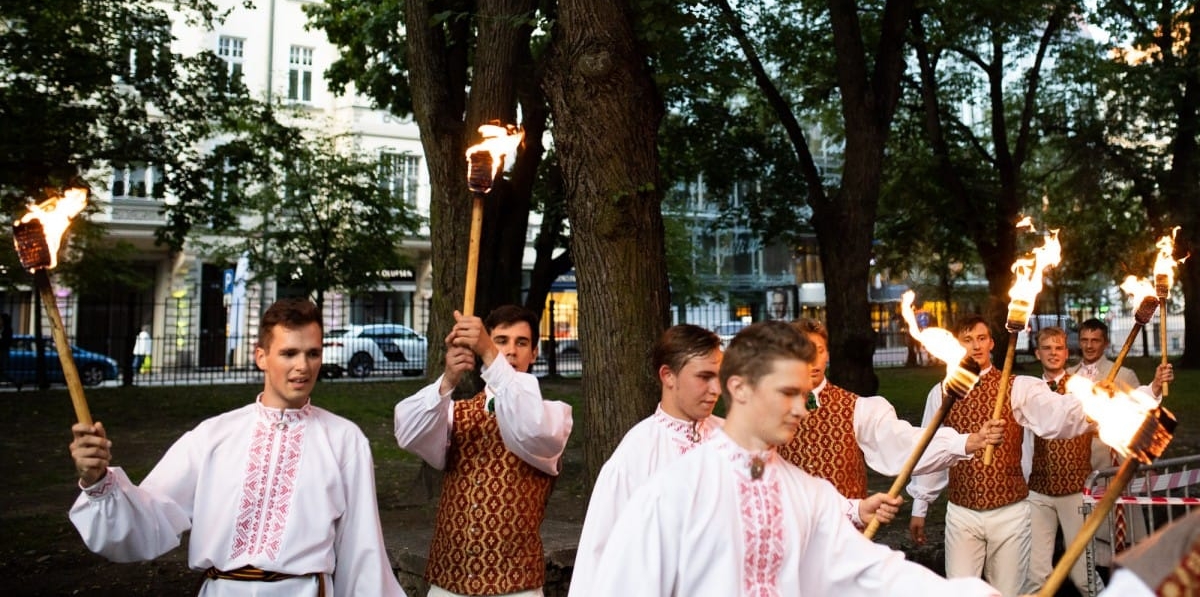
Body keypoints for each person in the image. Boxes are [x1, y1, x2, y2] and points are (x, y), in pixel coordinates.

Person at [589, 319, 1002, 597]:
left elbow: (874, 572)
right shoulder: (670, 493)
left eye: (804, 394)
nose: (803, 408)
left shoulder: (806, 493)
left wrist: (972, 593)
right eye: (788, 393)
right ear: (741, 388)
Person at [68, 297, 405, 596]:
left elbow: (362, 549)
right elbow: (151, 517)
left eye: (312, 353)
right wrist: (98, 482)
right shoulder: (213, 436)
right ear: (261, 356)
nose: (303, 366)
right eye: (289, 353)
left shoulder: (344, 440)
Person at [907, 314, 1094, 597]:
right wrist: (920, 506)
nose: (976, 346)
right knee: (959, 592)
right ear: (958, 345)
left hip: (1010, 512)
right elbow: (929, 450)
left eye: (981, 338)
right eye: (968, 340)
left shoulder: (1018, 386)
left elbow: (1056, 416)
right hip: (962, 511)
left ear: (992, 343)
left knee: (1007, 592)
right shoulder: (943, 392)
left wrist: (1097, 402)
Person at [394, 305, 573, 597]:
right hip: (448, 583)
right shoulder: (452, 413)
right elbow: (407, 431)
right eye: (501, 341)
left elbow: (529, 426)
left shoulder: (552, 416)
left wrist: (490, 353)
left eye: (522, 343)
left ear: (534, 354)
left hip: (517, 587)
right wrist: (447, 381)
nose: (511, 351)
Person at [778, 318, 1004, 528]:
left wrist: (966, 442)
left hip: (845, 539)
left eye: (818, 351)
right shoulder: (770, 411)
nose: (812, 360)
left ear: (827, 355)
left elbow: (904, 443)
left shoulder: (856, 409)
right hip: (787, 534)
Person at [569, 324, 724, 597]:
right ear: (668, 375)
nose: (716, 389)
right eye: (704, 376)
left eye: (719, 377)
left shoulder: (733, 442)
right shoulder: (634, 456)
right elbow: (599, 555)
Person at [1067, 317, 1174, 577]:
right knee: (1084, 531)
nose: (1089, 346)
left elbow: (1143, 407)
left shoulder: (1123, 373)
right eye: (1084, 340)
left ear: (1105, 343)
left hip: (1112, 461)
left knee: (1119, 528)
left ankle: (1124, 576)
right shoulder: (1070, 378)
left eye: (1095, 341)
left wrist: (1157, 385)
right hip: (1079, 463)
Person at [1026, 326, 1101, 595]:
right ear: (1037, 353)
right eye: (1047, 348)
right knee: (1036, 574)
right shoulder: (1029, 391)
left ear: (1067, 352)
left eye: (1058, 347)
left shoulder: (1083, 388)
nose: (1053, 353)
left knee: (1083, 572)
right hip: (1038, 490)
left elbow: (1101, 423)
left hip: (1075, 490)